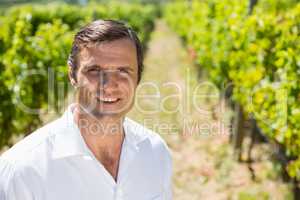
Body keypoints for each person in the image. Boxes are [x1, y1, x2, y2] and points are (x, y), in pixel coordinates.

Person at [0, 19, 172, 200]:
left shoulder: (155, 152)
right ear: (72, 74)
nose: (109, 85)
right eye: (94, 70)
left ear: (138, 77)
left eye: (123, 71)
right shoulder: (21, 172)